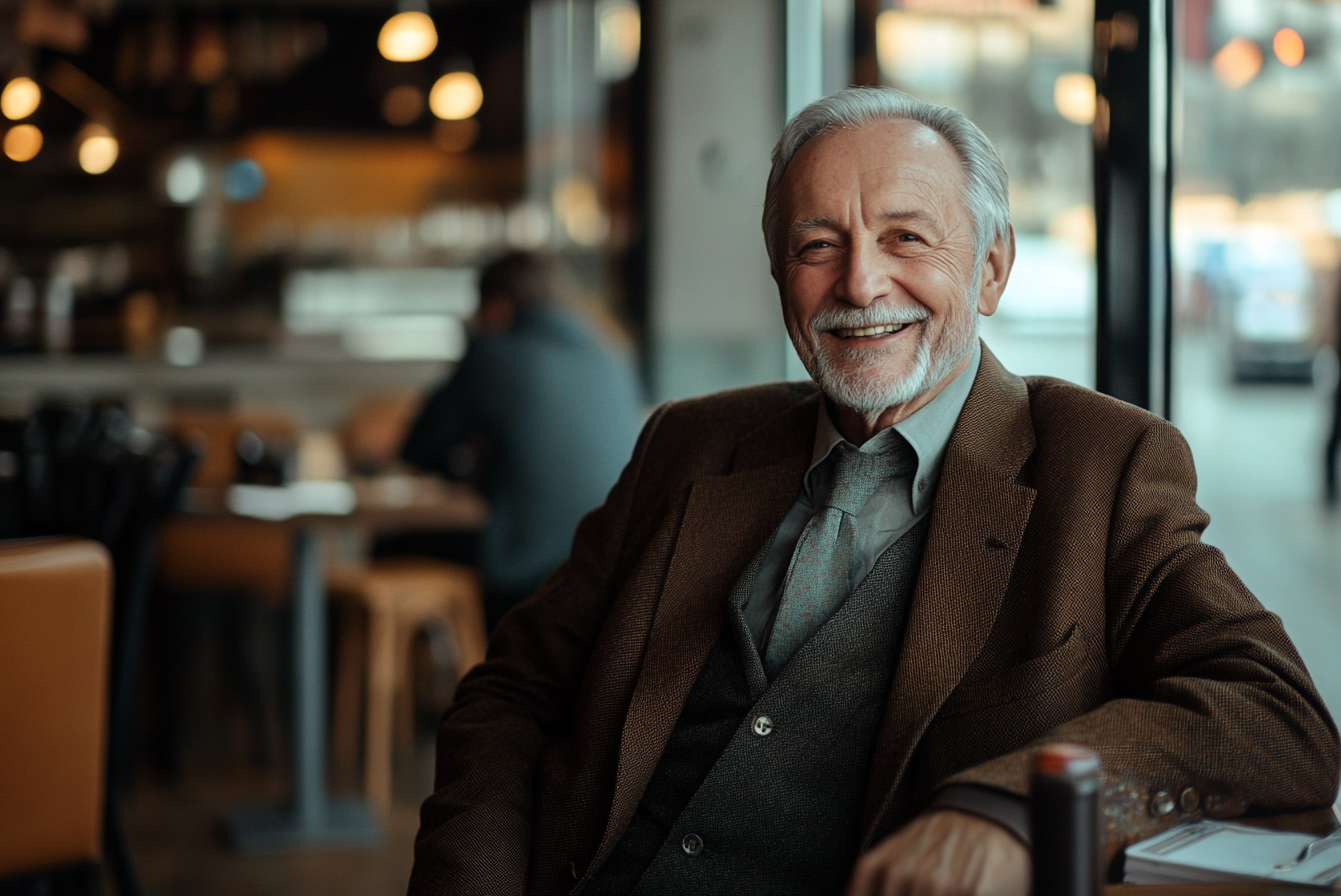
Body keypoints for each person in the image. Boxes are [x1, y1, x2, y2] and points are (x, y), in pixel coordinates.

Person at [407, 88, 1339, 896]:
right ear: (780, 273)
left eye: (906, 238)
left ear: (992, 269)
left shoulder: (1103, 463)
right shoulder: (689, 443)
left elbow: (1277, 716)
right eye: (819, 244)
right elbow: (514, 693)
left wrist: (1009, 809)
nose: (860, 281)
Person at [399, 251, 644, 632]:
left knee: (391, 547)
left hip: (521, 567)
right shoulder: (614, 355)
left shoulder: (492, 353)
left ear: (496, 308)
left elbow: (418, 448)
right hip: (611, 568)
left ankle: (412, 684)